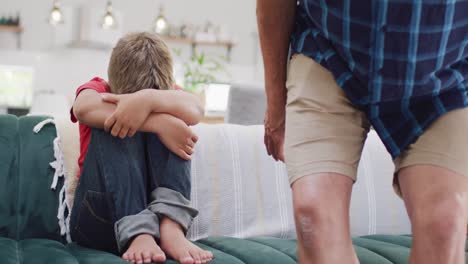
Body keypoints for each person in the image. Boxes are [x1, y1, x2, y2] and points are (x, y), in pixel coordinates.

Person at [257, 0, 468, 263]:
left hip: (444, 67)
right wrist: (276, 106)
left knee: (444, 225)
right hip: (328, 52)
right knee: (314, 215)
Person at [70, 32, 213, 264]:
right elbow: (82, 108)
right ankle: (138, 232)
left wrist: (148, 101)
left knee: (175, 113)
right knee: (115, 119)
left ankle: (171, 226)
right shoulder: (99, 88)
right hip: (98, 219)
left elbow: (196, 108)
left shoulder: (169, 94)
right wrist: (159, 122)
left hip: (157, 217)